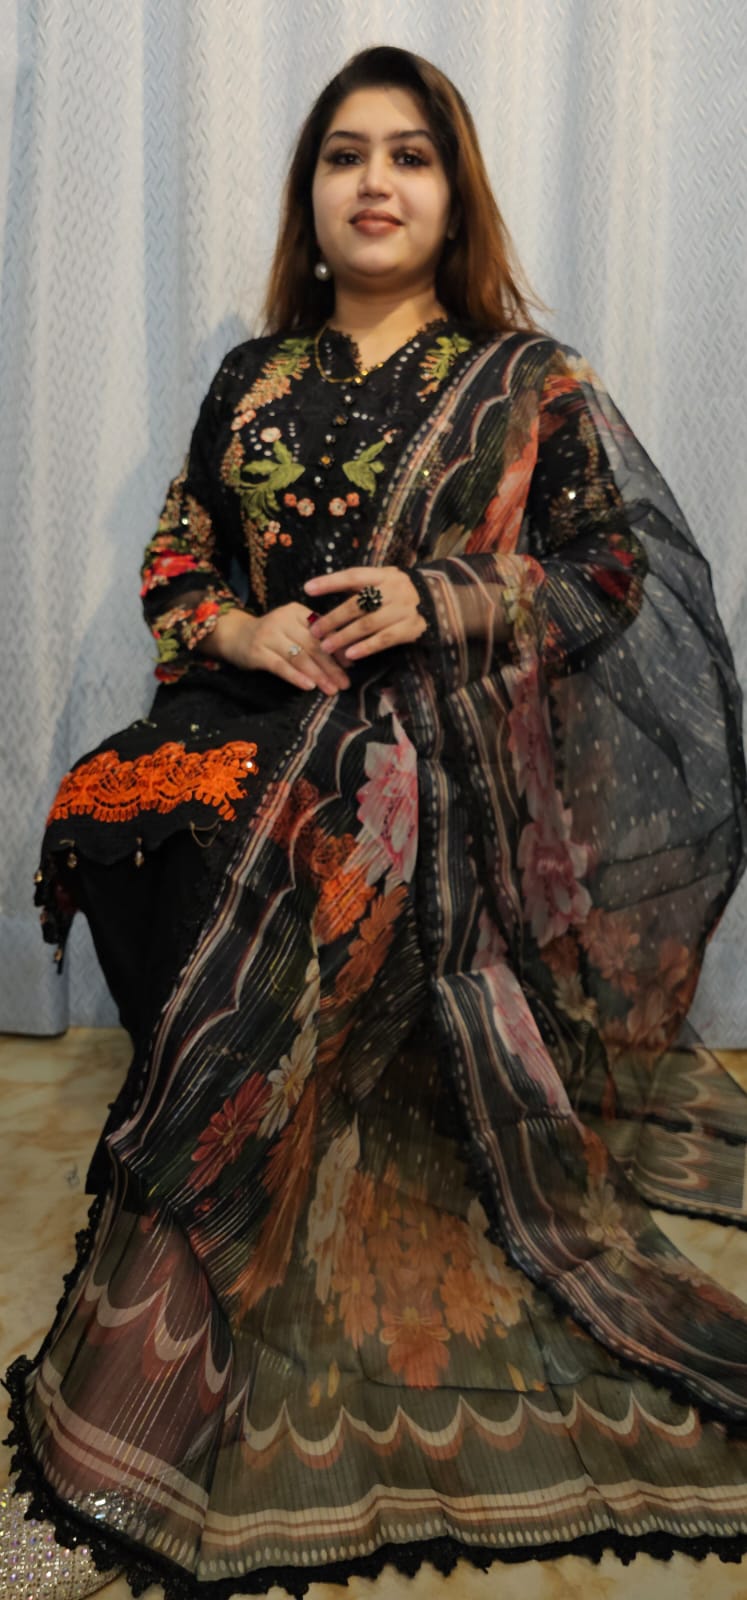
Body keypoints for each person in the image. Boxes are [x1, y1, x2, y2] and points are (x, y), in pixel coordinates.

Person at [3, 42, 747, 1600]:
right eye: (346, 154)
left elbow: (612, 574)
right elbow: (181, 552)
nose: (376, 183)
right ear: (312, 192)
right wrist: (238, 629)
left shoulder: (529, 382)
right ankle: (222, 1113)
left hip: (428, 741)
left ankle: (207, 1240)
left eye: (410, 155)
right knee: (117, 806)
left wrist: (440, 593)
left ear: (453, 194)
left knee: (329, 822)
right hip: (247, 710)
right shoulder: (252, 378)